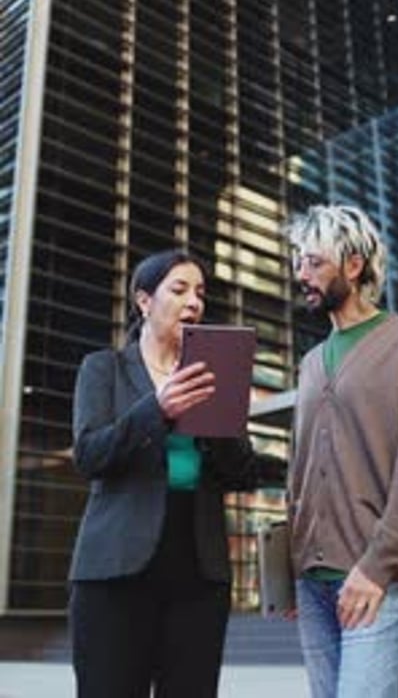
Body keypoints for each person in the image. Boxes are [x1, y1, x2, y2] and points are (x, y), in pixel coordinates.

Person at [68, 248, 286, 698]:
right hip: (115, 571)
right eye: (180, 289)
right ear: (144, 301)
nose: (194, 302)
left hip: (198, 572)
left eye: (200, 293)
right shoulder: (104, 368)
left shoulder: (210, 377)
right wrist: (158, 409)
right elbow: (90, 455)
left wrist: (221, 412)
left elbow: (241, 473)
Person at [285, 204, 398, 698]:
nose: (302, 274)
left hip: (373, 578)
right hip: (312, 586)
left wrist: (377, 567)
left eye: (314, 262)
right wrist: (291, 568)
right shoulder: (311, 363)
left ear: (354, 265)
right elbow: (299, 473)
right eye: (298, 262)